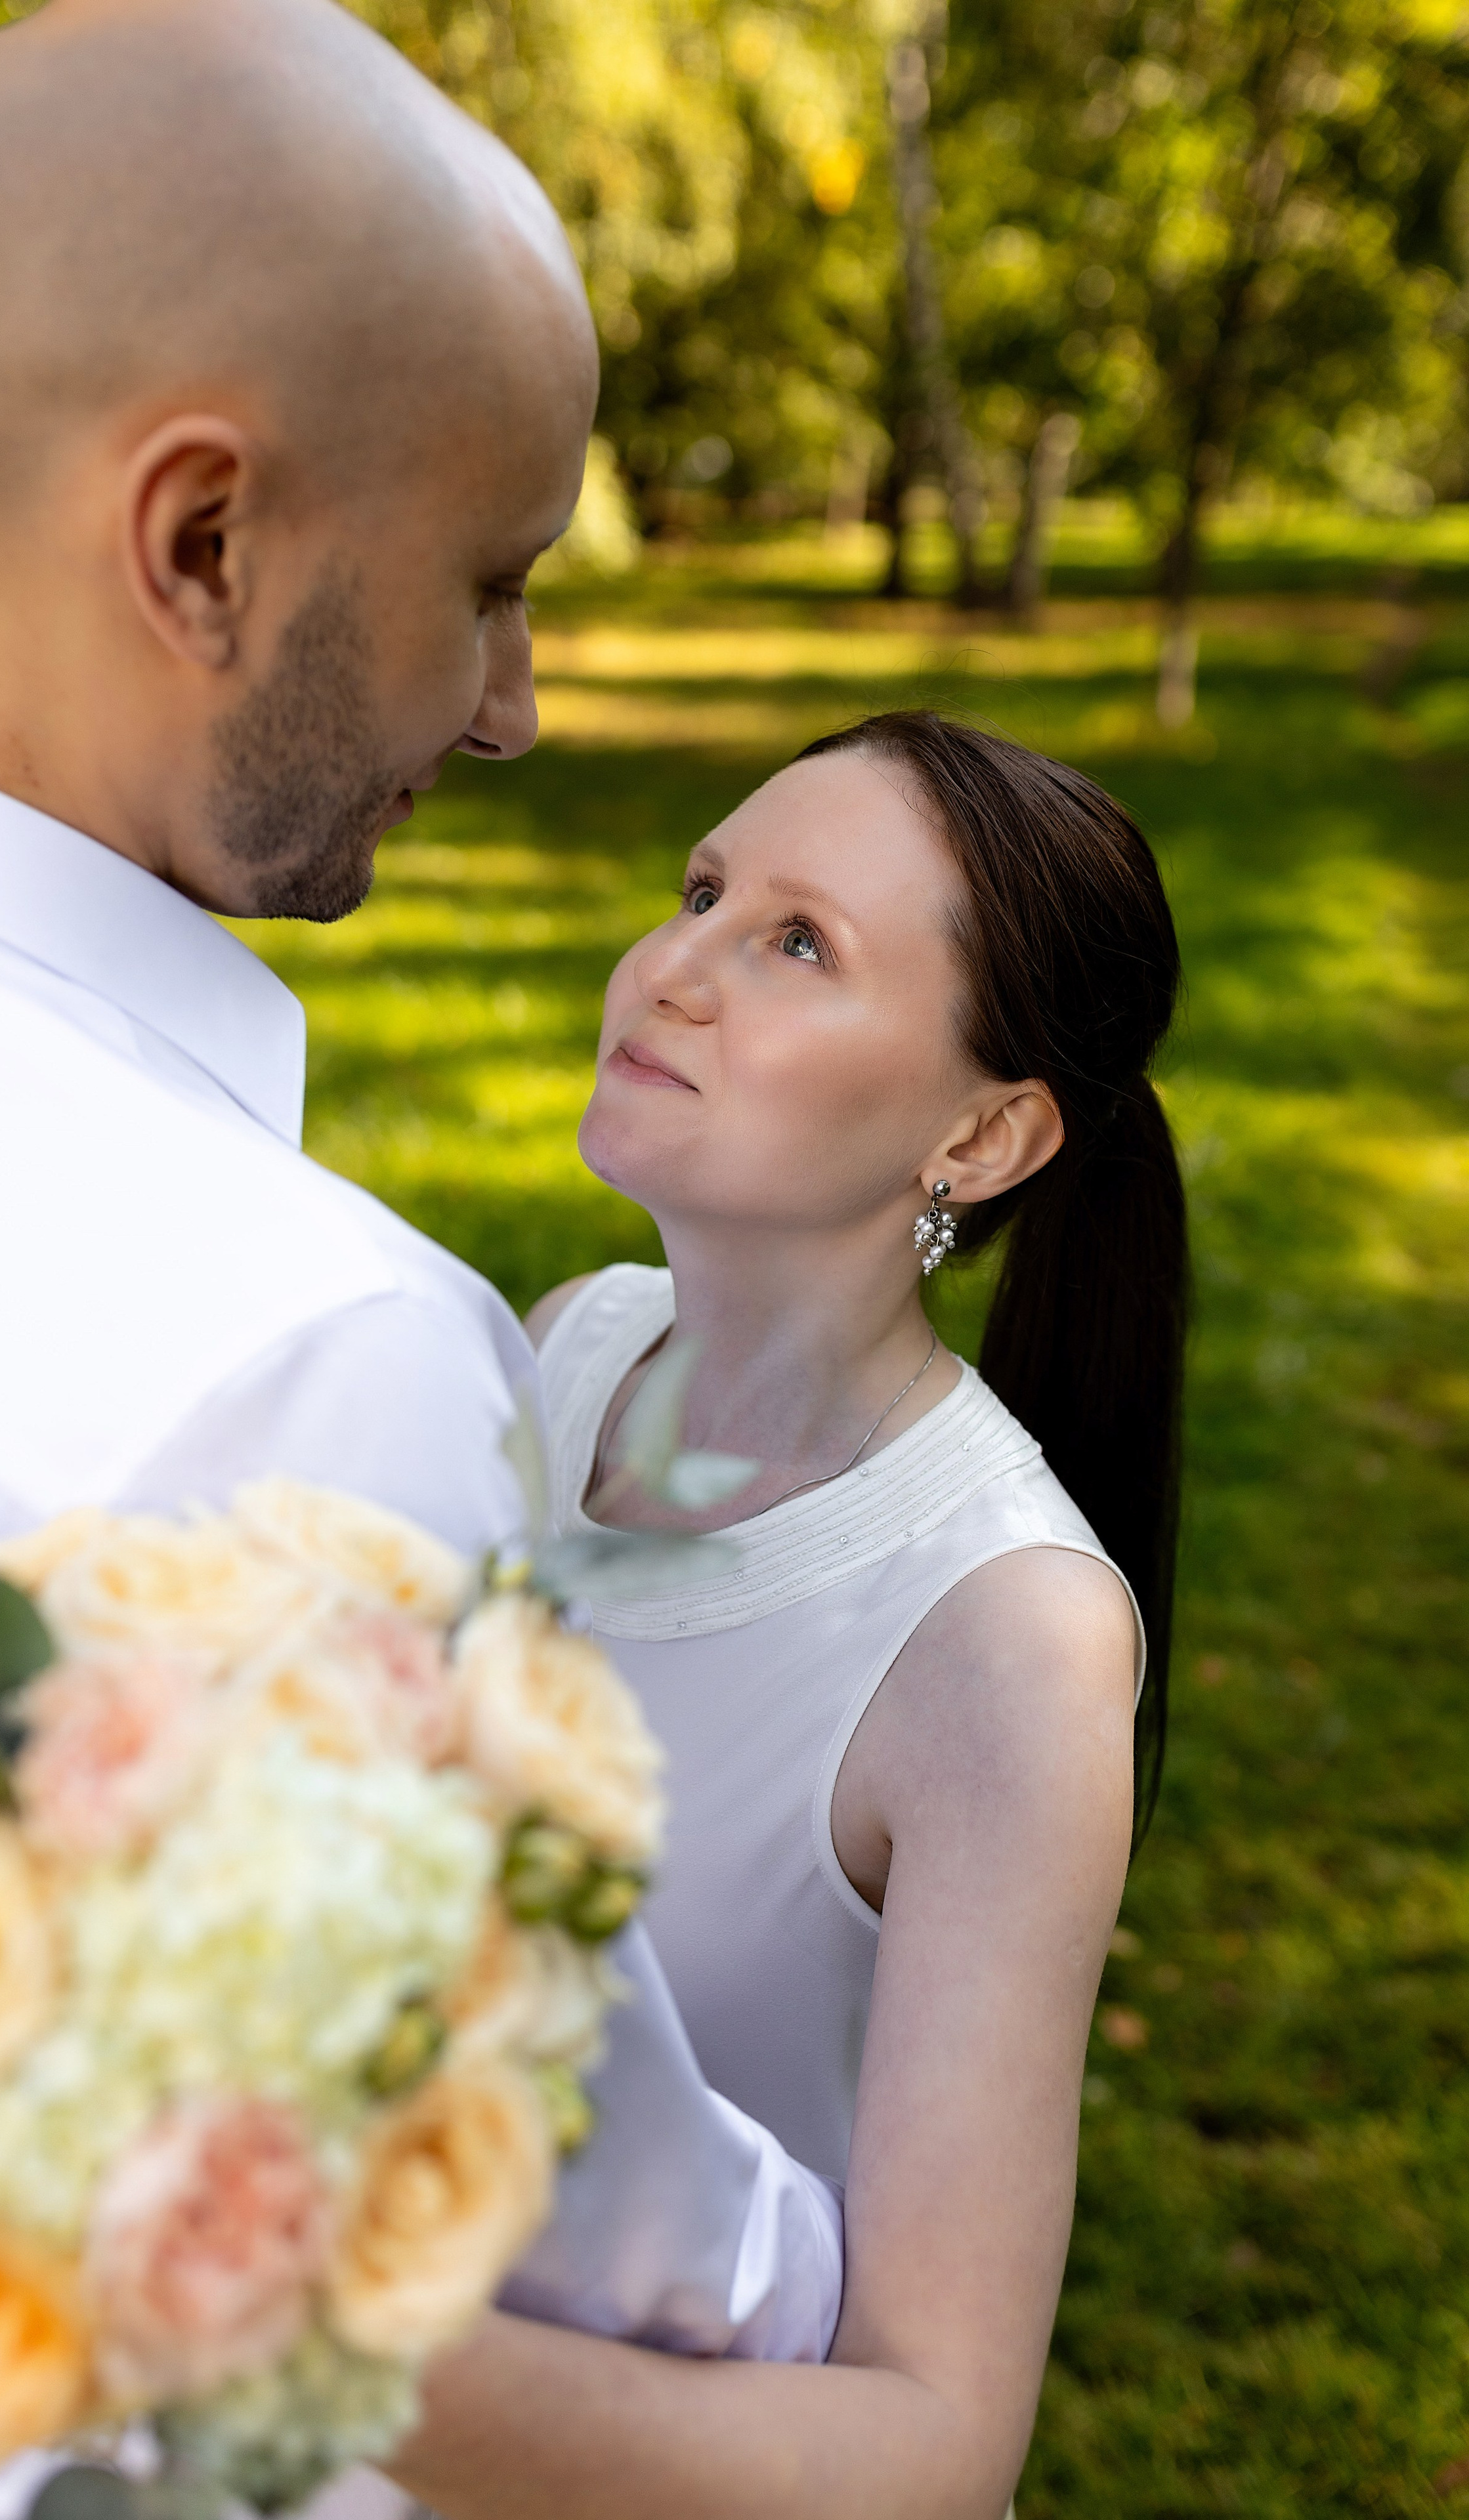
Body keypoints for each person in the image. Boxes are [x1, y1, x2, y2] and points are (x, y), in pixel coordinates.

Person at [0, 7, 838, 2517]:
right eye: (487, 585)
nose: (512, 707)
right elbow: (605, 2253)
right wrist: (824, 2258)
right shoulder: (304, 1351)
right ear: (203, 545)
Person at [378, 711, 1189, 2520]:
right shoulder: (567, 1345)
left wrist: (362, 2373)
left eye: (796, 942)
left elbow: (933, 2437)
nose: (670, 968)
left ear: (984, 1135)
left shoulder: (1004, 1638)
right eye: (701, 890)